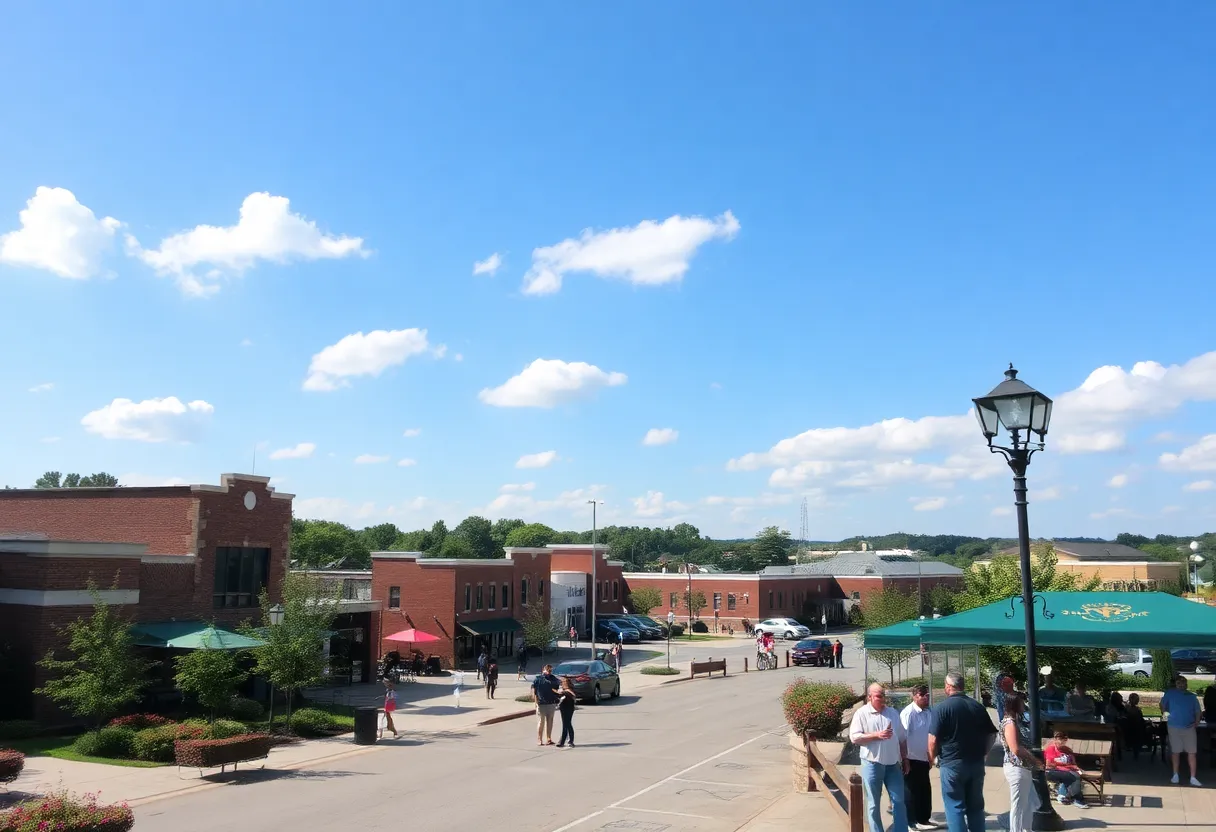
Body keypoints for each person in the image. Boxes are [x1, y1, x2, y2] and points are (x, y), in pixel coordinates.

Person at [928, 671, 997, 832]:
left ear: (948, 686)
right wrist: (984, 753)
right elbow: (992, 734)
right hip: (976, 763)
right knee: (976, 806)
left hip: (951, 763)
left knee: (954, 806)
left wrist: (931, 759)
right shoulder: (977, 706)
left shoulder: (941, 708)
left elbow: (932, 740)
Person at [849, 683, 909, 832]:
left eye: (883, 695)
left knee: (899, 800)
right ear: (869, 697)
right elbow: (854, 737)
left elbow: (902, 738)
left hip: (893, 764)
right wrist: (876, 735)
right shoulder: (861, 713)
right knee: (873, 803)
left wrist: (905, 759)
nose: (882, 698)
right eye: (878, 696)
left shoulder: (892, 713)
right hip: (872, 764)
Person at [1000, 692, 1043, 832]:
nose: (1024, 704)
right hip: (1016, 767)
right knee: (1018, 805)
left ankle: (1026, 829)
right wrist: (1035, 761)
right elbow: (1016, 749)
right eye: (1021, 702)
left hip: (1023, 767)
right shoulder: (1010, 723)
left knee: (1029, 802)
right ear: (1014, 704)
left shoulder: (1015, 720)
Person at [900, 684, 937, 831]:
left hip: (925, 758)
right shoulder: (908, 713)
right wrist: (905, 759)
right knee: (911, 790)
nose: (926, 698)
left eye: (927, 695)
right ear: (914, 696)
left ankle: (924, 819)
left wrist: (932, 756)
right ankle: (911, 822)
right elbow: (902, 737)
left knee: (924, 789)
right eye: (922, 695)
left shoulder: (929, 712)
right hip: (911, 758)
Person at [1161, 674, 1202, 786]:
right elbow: (1162, 705)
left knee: (1192, 752)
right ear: (1176, 684)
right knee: (1175, 751)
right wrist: (1166, 714)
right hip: (1174, 726)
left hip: (1189, 727)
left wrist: (1196, 722)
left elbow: (1197, 711)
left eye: (1183, 683)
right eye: (1179, 683)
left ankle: (1193, 777)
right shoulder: (1170, 693)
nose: (1181, 685)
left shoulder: (1192, 696)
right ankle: (1175, 775)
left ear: (1186, 684)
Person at [1043, 731, 1087, 807]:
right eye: (1058, 739)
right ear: (1055, 740)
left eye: (1063, 740)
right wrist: (1065, 766)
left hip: (1067, 770)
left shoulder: (1067, 750)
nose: (1060, 742)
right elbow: (1049, 764)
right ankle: (1077, 799)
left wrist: (1075, 767)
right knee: (1074, 776)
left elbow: (1073, 763)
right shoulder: (1051, 749)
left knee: (1075, 775)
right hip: (1052, 771)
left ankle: (1063, 795)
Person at [532, 663, 561, 746]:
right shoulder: (538, 679)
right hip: (541, 703)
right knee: (541, 722)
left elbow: (557, 688)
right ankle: (539, 739)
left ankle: (549, 738)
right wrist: (535, 702)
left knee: (550, 721)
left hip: (551, 703)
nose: (549, 671)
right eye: (547, 669)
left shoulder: (553, 679)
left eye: (550, 670)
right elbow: (534, 690)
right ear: (543, 670)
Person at [556, 676, 578, 748]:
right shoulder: (565, 690)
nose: (562, 683)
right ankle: (562, 741)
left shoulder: (569, 691)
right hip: (565, 708)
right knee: (565, 724)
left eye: (563, 682)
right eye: (562, 682)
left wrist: (562, 692)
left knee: (567, 724)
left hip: (568, 708)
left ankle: (570, 741)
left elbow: (573, 696)